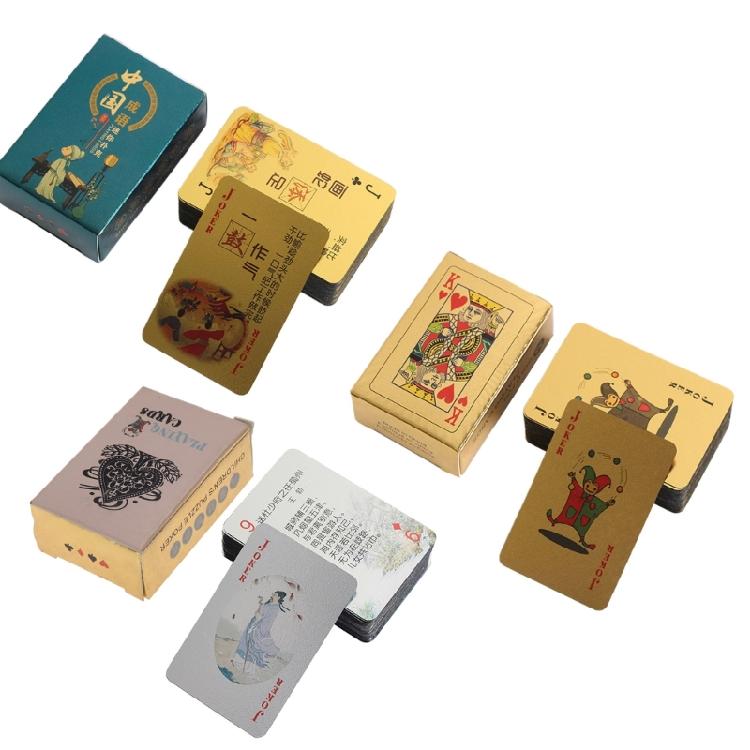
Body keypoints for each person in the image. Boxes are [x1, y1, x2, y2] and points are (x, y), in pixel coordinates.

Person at [546, 466, 615, 550]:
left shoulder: (595, 501)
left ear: (597, 490)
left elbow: (600, 506)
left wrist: (607, 504)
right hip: (571, 513)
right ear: (584, 483)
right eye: (588, 485)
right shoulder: (579, 491)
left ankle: (582, 540)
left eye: (594, 488)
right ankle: (554, 521)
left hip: (582, 519)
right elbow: (575, 486)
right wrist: (573, 477)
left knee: (582, 529)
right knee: (564, 517)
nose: (590, 489)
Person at [232, 591, 290, 672]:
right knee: (245, 641)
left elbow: (266, 620)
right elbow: (260, 612)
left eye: (275, 594)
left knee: (253, 645)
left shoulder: (274, 608)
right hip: (254, 624)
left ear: (279, 597)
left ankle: (246, 665)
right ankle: (238, 661)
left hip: (259, 627)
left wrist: (258, 618)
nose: (272, 594)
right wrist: (260, 606)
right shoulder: (270, 604)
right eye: (273, 594)